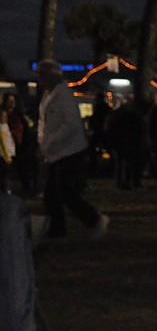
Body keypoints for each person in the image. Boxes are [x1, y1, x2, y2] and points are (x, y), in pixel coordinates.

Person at [36, 60, 109, 240]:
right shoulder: (49, 95)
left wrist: (50, 141)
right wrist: (44, 143)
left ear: (53, 75)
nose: (40, 79)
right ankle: (57, 228)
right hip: (56, 152)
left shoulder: (64, 95)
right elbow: (45, 123)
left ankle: (95, 219)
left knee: (65, 192)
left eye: (43, 74)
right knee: (52, 193)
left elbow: (71, 124)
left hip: (70, 151)